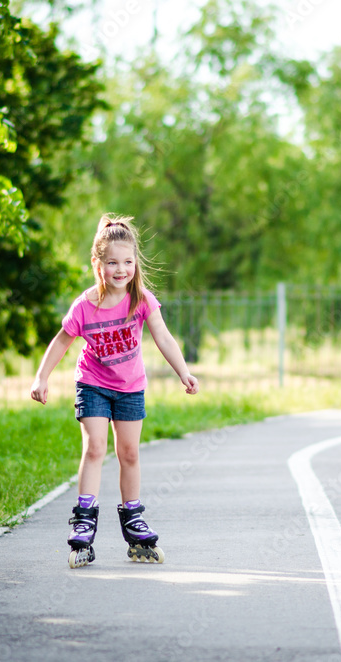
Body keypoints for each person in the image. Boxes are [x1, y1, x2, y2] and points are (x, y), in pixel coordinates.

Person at [30, 213, 199, 568]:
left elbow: (164, 337)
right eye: (112, 263)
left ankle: (134, 521)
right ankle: (84, 519)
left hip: (130, 387)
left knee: (130, 454)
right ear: (98, 264)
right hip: (92, 382)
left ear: (136, 263)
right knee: (95, 447)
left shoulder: (142, 300)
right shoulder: (85, 305)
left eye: (127, 262)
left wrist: (183, 372)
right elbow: (61, 341)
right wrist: (41, 377)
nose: (120, 270)